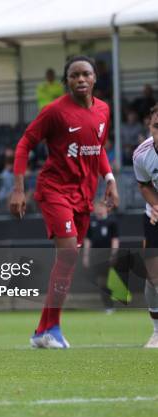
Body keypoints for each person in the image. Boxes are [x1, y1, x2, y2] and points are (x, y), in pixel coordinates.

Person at [10, 55, 119, 349]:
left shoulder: (103, 111)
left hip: (84, 195)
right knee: (69, 253)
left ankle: (43, 331)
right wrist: (19, 189)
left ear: (95, 78)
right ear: (67, 81)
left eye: (86, 74)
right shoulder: (55, 112)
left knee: (66, 261)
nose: (80, 79)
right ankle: (53, 327)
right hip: (54, 190)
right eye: (74, 76)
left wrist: (109, 179)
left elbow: (98, 149)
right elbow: (24, 144)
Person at [132, 104, 158, 348]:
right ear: (150, 128)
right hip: (154, 215)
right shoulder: (142, 154)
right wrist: (156, 206)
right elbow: (143, 185)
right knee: (153, 277)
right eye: (157, 126)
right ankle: (157, 330)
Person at [82, 200, 120, 313]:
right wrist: (86, 256)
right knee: (101, 281)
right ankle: (108, 305)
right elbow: (88, 240)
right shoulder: (91, 222)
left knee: (106, 280)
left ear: (106, 208)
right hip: (96, 256)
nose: (98, 209)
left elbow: (115, 239)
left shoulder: (112, 222)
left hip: (108, 255)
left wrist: (114, 254)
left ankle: (110, 305)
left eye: (101, 207)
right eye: (97, 207)